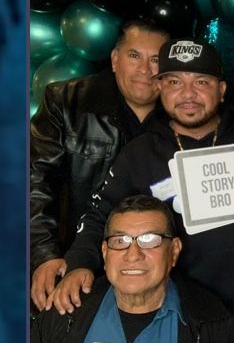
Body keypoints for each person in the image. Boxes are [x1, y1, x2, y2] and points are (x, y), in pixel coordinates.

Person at [49, 39, 234, 335]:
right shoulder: (139, 153)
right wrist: (80, 263)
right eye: (174, 81)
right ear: (160, 89)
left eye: (201, 82)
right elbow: (99, 216)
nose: (188, 94)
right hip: (176, 314)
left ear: (221, 91)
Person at [30, 17, 169, 312]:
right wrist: (45, 255)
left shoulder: (183, 114)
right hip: (73, 261)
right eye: (134, 56)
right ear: (115, 59)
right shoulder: (66, 101)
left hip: (154, 270)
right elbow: (32, 182)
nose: (145, 70)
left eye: (156, 59)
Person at [30, 195, 234, 343]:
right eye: (120, 241)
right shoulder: (63, 311)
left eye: (149, 240)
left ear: (174, 251)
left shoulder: (212, 326)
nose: (133, 255)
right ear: (105, 253)